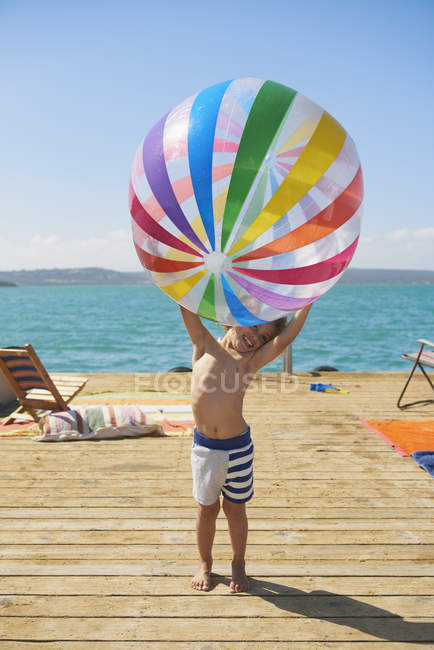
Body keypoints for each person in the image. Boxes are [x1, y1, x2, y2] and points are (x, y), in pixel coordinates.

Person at [179, 303, 312, 593]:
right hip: (204, 451)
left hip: (237, 449)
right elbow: (187, 307)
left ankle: (238, 563)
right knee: (206, 509)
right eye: (252, 327)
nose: (255, 337)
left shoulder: (249, 362)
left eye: (262, 336)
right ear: (233, 319)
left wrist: (307, 301)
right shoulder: (203, 345)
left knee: (235, 509)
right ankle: (205, 562)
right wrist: (183, 280)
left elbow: (287, 336)